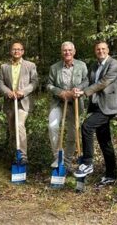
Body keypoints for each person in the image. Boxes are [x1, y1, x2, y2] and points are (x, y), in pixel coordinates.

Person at [73, 41, 117, 187]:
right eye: (98, 49)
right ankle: (111, 175)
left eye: (103, 49)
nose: (101, 51)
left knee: (87, 126)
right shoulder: (94, 65)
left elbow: (104, 82)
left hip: (108, 106)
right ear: (95, 51)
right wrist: (78, 89)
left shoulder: (114, 64)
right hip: (96, 105)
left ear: (108, 50)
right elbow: (88, 81)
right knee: (104, 140)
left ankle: (87, 163)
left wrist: (85, 92)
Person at [46, 41, 89, 169]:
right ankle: (57, 157)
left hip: (74, 103)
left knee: (72, 133)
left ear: (74, 51)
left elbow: (87, 80)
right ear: (61, 52)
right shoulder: (55, 67)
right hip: (58, 102)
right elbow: (49, 85)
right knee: (52, 126)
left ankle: (68, 161)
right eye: (65, 50)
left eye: (70, 50)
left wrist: (78, 88)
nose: (67, 52)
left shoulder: (81, 66)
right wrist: (60, 92)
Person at [0, 42, 38, 165]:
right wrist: (8, 92)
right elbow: (0, 83)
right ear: (11, 51)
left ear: (23, 51)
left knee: (19, 124)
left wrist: (23, 92)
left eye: (19, 49)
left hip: (24, 102)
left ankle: (23, 156)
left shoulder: (30, 66)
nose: (17, 51)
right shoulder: (4, 67)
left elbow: (34, 82)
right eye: (14, 49)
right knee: (12, 130)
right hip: (10, 102)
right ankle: (13, 153)